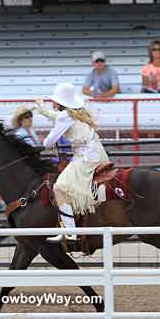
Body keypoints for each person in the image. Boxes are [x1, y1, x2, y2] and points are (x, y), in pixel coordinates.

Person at [35, 83, 110, 242]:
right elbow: (55, 116)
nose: (53, 103)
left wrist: (45, 139)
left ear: (59, 102)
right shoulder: (73, 113)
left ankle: (70, 231)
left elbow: (48, 143)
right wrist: (41, 109)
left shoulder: (65, 116)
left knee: (59, 188)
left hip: (85, 157)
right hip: (95, 153)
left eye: (54, 100)